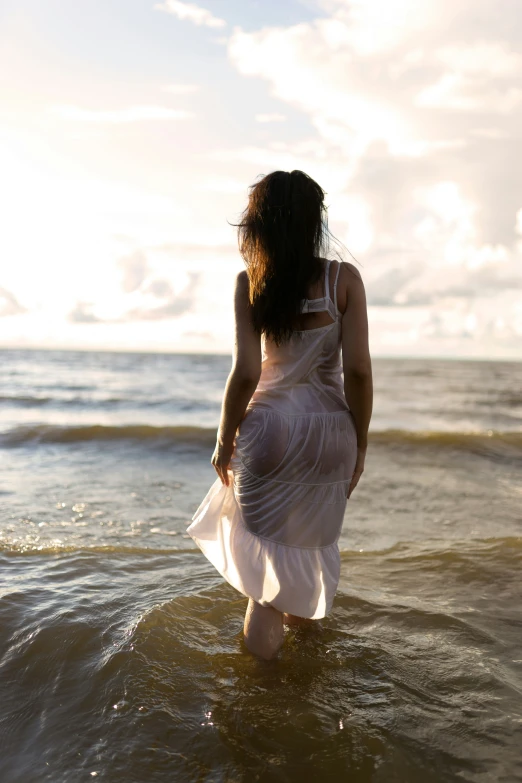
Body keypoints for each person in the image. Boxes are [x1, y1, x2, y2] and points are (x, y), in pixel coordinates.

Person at [187, 169, 373, 661]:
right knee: (309, 560)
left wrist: (224, 439)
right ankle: (306, 685)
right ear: (313, 221)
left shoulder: (251, 283)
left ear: (260, 225)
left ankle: (262, 695)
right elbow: (357, 372)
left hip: (268, 431)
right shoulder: (344, 280)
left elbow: (246, 373)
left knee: (265, 583)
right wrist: (360, 440)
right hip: (331, 433)